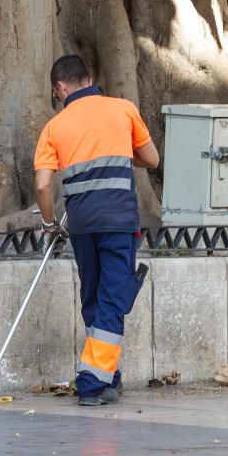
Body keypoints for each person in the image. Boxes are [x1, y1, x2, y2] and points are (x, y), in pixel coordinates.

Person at [33, 55, 160, 406]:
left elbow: (43, 186)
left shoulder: (54, 127)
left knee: (94, 297)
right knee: (112, 299)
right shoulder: (123, 109)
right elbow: (151, 159)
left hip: (82, 224)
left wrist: (48, 223)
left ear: (60, 87)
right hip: (120, 222)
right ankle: (91, 383)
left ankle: (109, 378)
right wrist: (121, 152)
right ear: (89, 78)